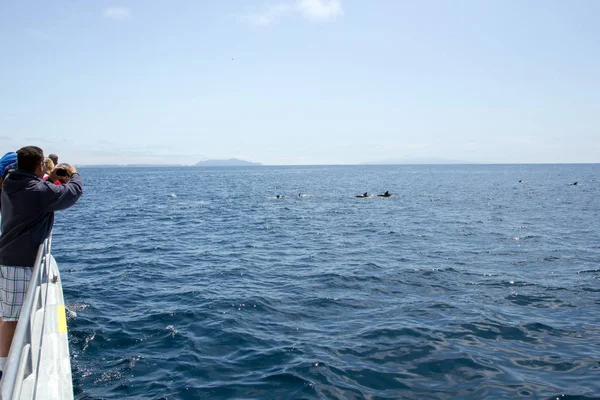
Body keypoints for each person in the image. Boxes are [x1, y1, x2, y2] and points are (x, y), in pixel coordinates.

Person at [0, 146, 82, 376]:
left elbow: (39, 187)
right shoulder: (36, 191)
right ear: (38, 165)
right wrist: (73, 173)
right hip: (20, 263)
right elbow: (72, 193)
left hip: (7, 257)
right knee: (11, 319)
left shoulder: (10, 183)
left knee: (6, 312)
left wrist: (49, 178)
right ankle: (4, 371)